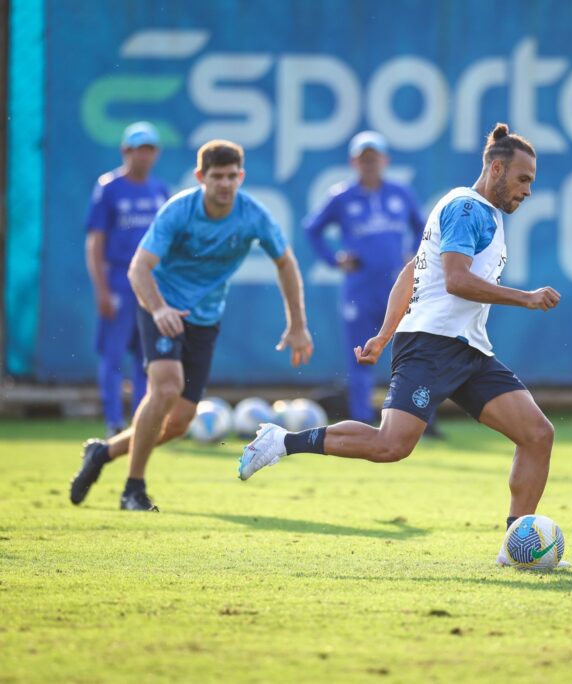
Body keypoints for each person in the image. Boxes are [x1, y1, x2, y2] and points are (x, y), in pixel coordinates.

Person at [239, 123, 562, 563]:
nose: (527, 191)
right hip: (431, 347)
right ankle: (282, 442)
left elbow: (412, 270)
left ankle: (515, 548)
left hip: (467, 349)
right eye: (523, 179)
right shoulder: (468, 209)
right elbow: (455, 280)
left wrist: (383, 334)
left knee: (537, 434)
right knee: (390, 446)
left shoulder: (477, 211)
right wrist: (524, 297)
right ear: (498, 168)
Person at [69, 140, 314, 511]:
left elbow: (286, 263)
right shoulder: (178, 211)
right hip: (161, 308)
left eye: (233, 176)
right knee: (164, 389)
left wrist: (298, 324)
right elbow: (139, 268)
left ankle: (103, 453)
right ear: (201, 177)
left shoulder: (254, 215)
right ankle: (132, 489)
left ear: (241, 176)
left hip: (205, 319)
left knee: (180, 423)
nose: (225, 184)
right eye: (217, 176)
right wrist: (159, 309)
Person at [303, 131, 439, 435]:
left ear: (385, 160)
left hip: (398, 286)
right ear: (354, 161)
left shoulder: (400, 193)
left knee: (412, 353)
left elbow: (423, 227)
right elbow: (311, 228)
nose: (369, 164)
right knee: (361, 356)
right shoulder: (342, 197)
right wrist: (334, 259)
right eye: (363, 159)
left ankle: (421, 420)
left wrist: (416, 256)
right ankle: (363, 420)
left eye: (373, 158)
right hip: (360, 289)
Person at [85, 122, 169, 436]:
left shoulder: (160, 191)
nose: (143, 156)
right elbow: (95, 241)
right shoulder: (108, 188)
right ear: (125, 151)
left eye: (149, 149)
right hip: (119, 280)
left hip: (151, 284)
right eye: (137, 149)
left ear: (156, 153)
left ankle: (140, 422)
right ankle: (113, 422)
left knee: (147, 358)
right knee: (113, 354)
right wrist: (102, 289)